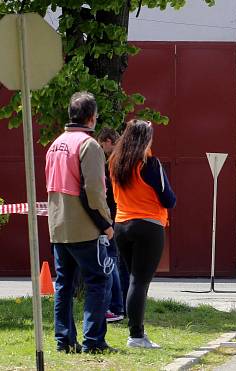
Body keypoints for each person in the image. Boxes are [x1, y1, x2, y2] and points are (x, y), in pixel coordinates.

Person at [45, 92, 115, 354]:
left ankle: (64, 340)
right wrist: (106, 224)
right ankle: (93, 341)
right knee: (98, 281)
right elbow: (94, 190)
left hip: (58, 226)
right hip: (84, 227)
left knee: (64, 284)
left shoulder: (56, 144)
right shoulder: (89, 145)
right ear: (91, 117)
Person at [110, 120, 176, 349]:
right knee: (139, 282)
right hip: (148, 225)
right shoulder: (150, 164)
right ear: (145, 139)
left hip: (121, 225)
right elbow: (169, 199)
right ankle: (136, 336)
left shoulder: (116, 163)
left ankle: (136, 332)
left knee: (132, 279)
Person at [97, 127, 126, 323]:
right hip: (120, 215)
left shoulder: (109, 162)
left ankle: (115, 306)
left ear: (107, 141)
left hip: (111, 217)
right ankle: (121, 304)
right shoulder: (122, 159)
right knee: (117, 262)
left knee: (111, 262)